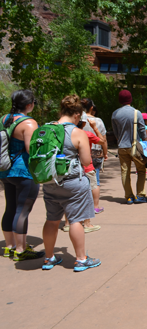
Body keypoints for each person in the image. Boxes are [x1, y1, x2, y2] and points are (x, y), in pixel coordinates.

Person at [41, 95, 100, 271]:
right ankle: (81, 259)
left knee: (51, 220)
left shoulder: (46, 129)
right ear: (76, 114)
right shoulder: (77, 132)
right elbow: (85, 160)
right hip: (73, 183)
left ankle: (49, 258)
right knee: (75, 220)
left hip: (50, 182)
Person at [1, 89, 45, 261]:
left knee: (10, 208)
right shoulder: (29, 123)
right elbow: (30, 149)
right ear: (29, 105)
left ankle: (9, 246)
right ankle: (21, 249)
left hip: (5, 170)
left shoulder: (5, 119)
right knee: (22, 211)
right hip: (23, 171)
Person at [62, 113, 104, 233]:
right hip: (86, 167)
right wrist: (95, 127)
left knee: (69, 196)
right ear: (84, 123)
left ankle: (67, 223)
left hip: (69, 168)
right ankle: (87, 223)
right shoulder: (86, 133)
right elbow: (102, 141)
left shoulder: (65, 133)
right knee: (88, 195)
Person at [111, 90, 147, 204]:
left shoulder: (115, 114)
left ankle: (129, 196)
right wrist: (145, 142)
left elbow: (115, 132)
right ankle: (140, 195)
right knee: (141, 170)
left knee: (125, 171)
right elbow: (142, 130)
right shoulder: (136, 113)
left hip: (122, 146)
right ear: (130, 99)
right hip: (135, 146)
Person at [81, 98, 107, 213]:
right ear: (92, 108)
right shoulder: (98, 121)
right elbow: (103, 139)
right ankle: (95, 206)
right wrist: (105, 153)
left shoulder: (77, 119)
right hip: (95, 152)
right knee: (95, 180)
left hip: (81, 152)